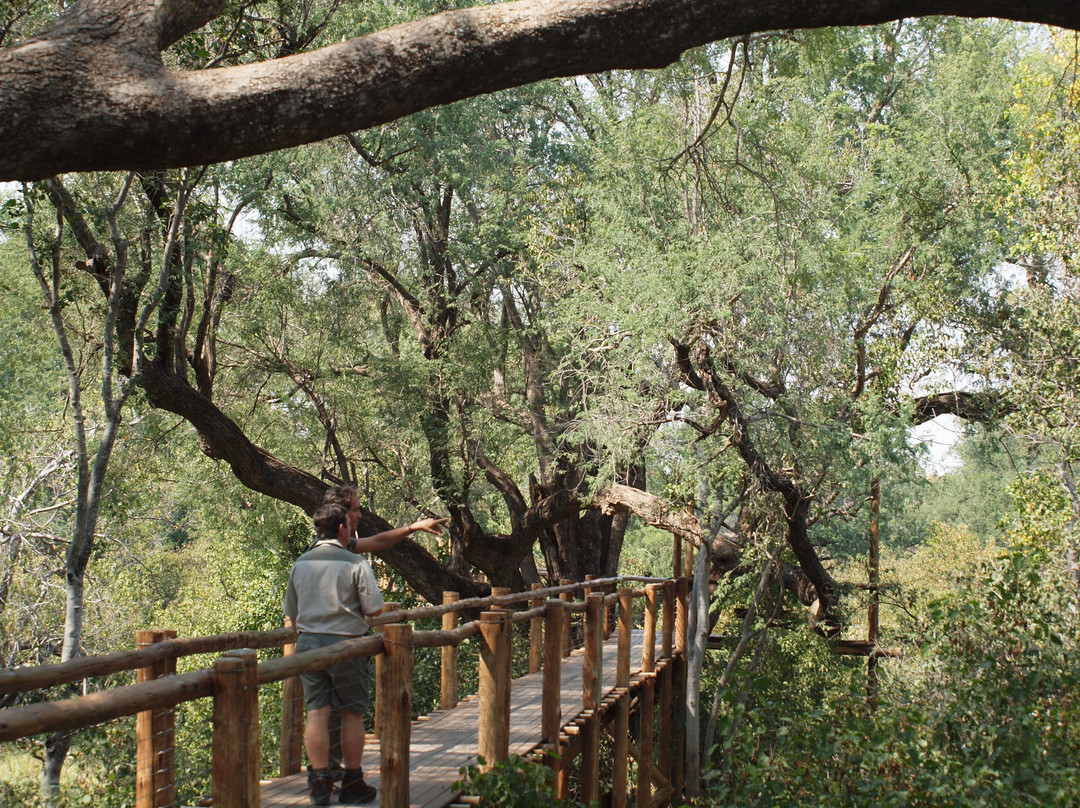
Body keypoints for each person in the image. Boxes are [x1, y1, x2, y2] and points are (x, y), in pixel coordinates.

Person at [284, 495, 447, 805]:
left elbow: (291, 612)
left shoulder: (300, 563)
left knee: (316, 712)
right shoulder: (354, 562)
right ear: (343, 526)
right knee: (351, 713)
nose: (358, 516)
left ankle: (319, 784)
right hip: (347, 644)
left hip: (308, 645)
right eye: (355, 512)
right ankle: (352, 781)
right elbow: (373, 610)